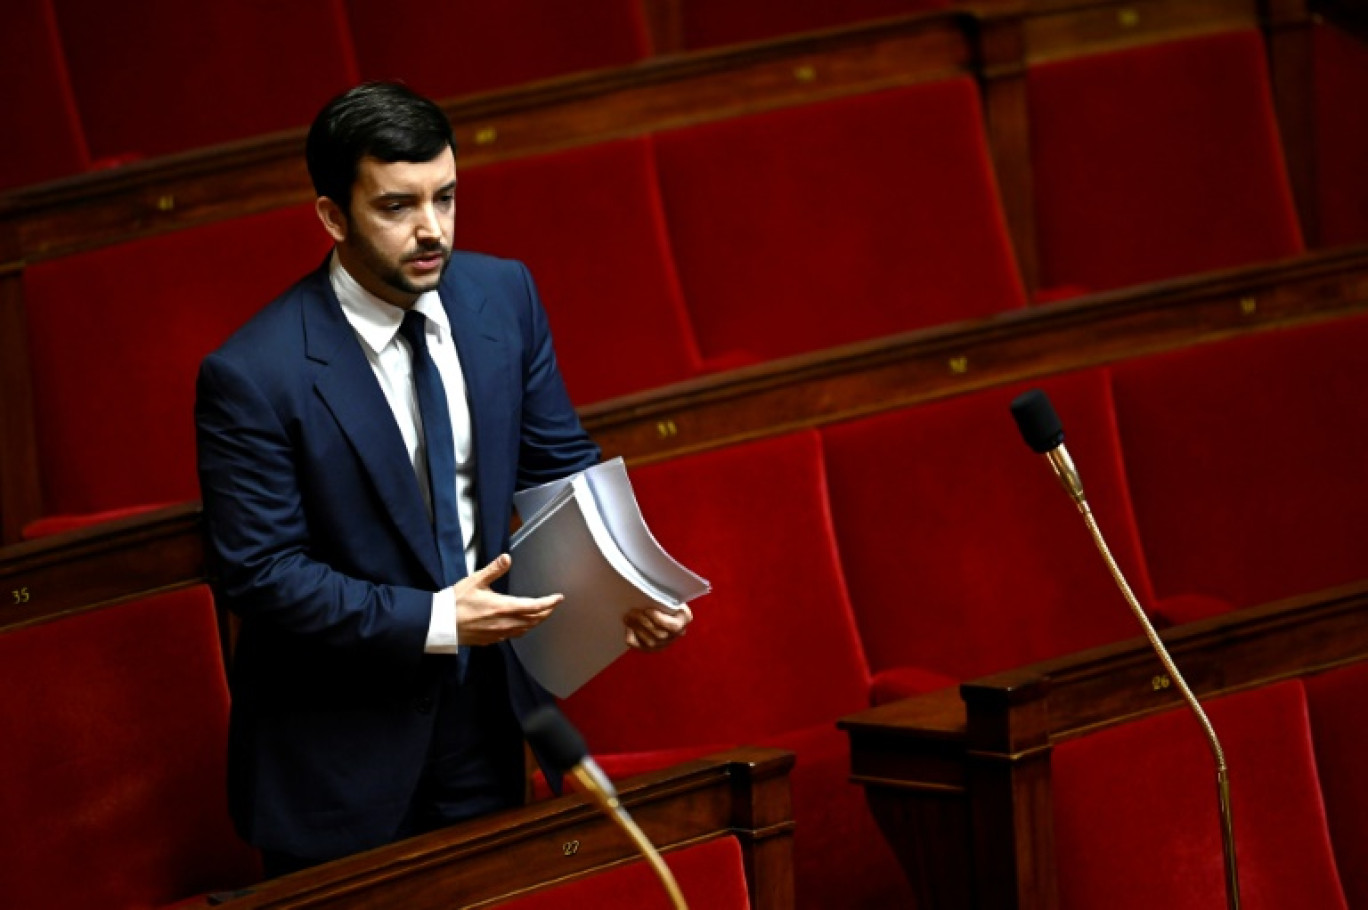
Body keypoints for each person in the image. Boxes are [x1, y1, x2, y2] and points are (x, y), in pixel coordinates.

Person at [195, 82, 691, 878]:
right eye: (397, 206)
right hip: (336, 758)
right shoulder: (253, 375)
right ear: (331, 217)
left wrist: (625, 583)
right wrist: (433, 619)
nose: (432, 230)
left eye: (446, 197)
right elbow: (261, 574)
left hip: (485, 723)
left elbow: (558, 468)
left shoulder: (505, 297)